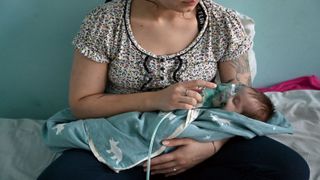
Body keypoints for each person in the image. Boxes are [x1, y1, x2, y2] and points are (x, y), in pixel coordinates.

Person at [38, 0, 309, 179]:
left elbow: (237, 109)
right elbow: (83, 103)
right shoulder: (105, 23)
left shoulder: (223, 23)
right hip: (123, 137)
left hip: (199, 140)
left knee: (290, 169)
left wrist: (211, 147)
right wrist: (156, 99)